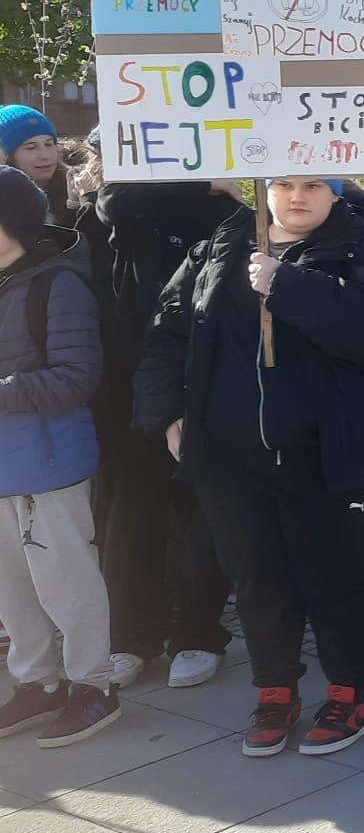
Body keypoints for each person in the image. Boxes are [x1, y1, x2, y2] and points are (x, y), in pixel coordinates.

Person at [135, 177, 364, 756]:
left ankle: (351, 692)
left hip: (323, 457)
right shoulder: (220, 246)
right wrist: (166, 417)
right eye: (283, 184)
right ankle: (275, 690)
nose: (296, 197)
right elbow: (168, 333)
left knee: (333, 579)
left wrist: (288, 285)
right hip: (231, 459)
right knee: (257, 580)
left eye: (312, 185)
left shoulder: (362, 248)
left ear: (335, 191)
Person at [94, 178, 239, 691]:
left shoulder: (234, 204)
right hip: (131, 387)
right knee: (131, 523)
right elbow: (112, 202)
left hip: (208, 382)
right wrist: (200, 180)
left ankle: (198, 634)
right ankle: (131, 638)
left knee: (204, 520)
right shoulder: (133, 202)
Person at [0, 167, 122, 747]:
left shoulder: (58, 283)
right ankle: (37, 683)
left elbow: (77, 377)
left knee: (67, 582)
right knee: (11, 587)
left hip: (49, 463)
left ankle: (94, 684)